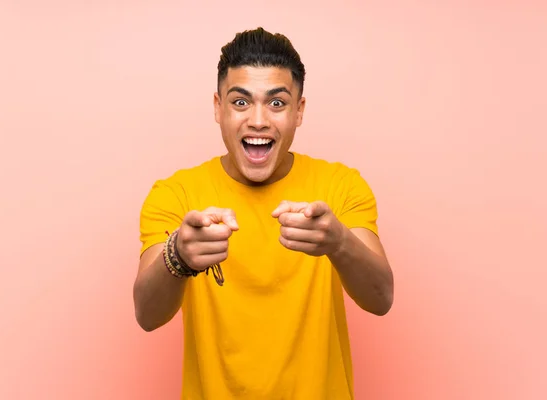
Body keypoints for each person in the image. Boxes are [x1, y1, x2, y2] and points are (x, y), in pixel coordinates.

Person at [133, 27, 394, 400]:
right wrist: (178, 256)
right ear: (217, 107)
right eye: (240, 102)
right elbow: (146, 314)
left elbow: (381, 298)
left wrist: (339, 243)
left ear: (299, 110)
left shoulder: (341, 185)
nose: (258, 120)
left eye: (276, 103)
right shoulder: (175, 194)